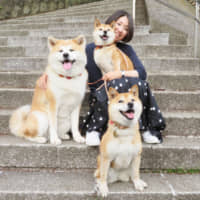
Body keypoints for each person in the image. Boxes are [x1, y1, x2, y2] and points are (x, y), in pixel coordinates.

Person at [39, 10, 166, 146]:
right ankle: (94, 130)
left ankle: (147, 129)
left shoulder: (126, 50)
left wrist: (120, 74)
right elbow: (69, 60)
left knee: (141, 84)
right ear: (110, 24)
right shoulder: (89, 49)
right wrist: (48, 73)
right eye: (118, 24)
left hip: (125, 96)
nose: (120, 29)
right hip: (101, 93)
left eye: (125, 29)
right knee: (119, 84)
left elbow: (141, 72)